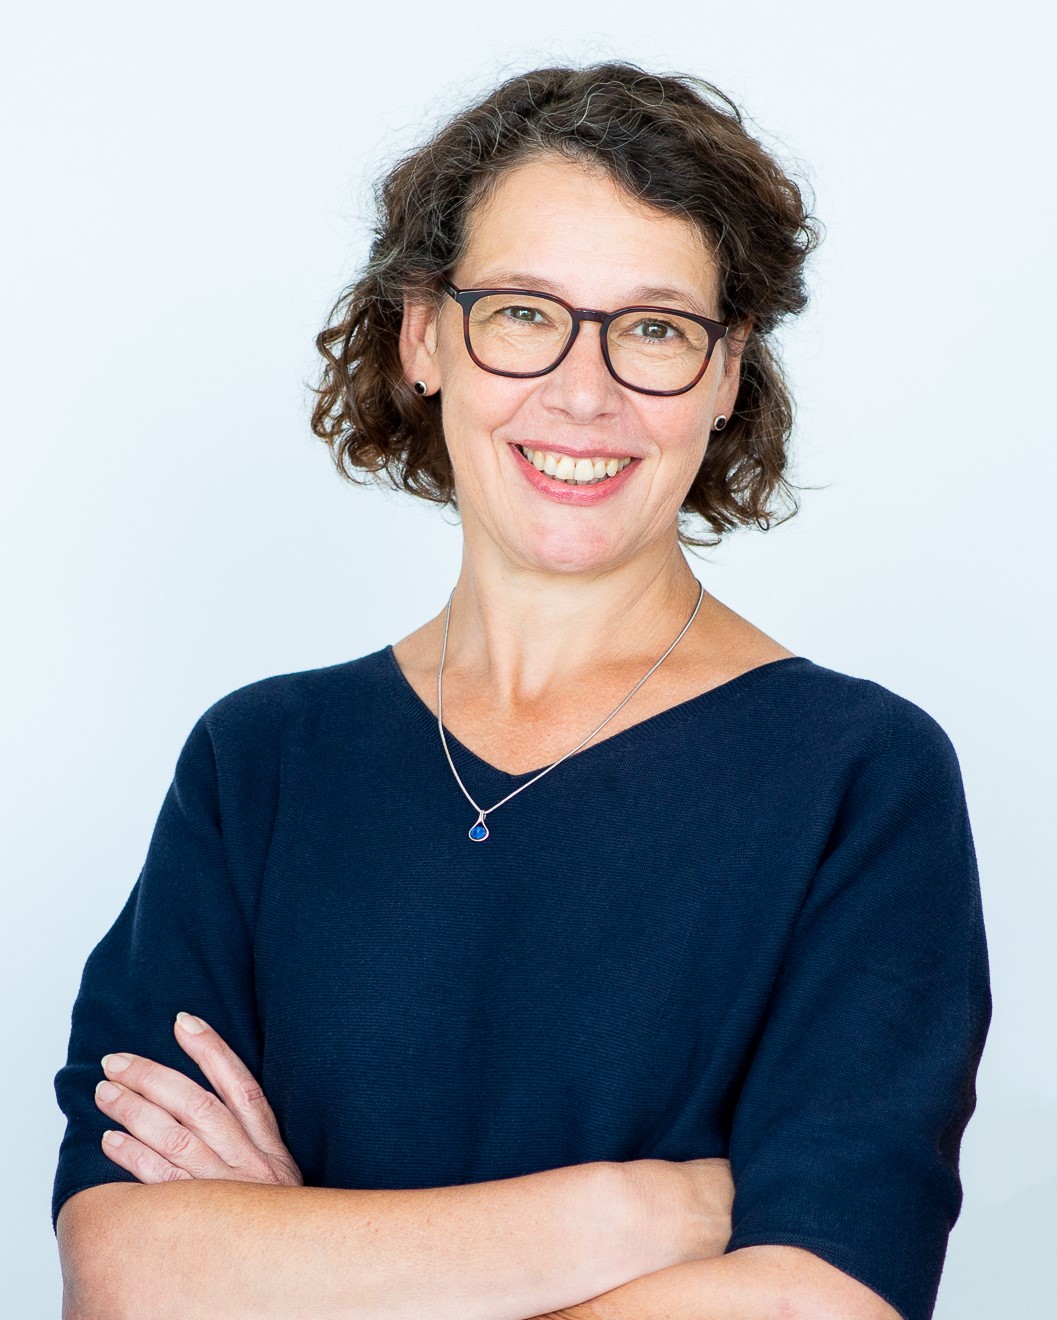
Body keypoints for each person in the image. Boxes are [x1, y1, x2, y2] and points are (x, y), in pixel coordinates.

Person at [52, 62, 991, 1320]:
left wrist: (294, 1264)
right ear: (423, 336)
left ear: (726, 374)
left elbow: (822, 1302)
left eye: (654, 329)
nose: (583, 392)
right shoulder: (259, 765)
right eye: (521, 312)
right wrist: (635, 1213)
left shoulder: (859, 778)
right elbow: (125, 1276)